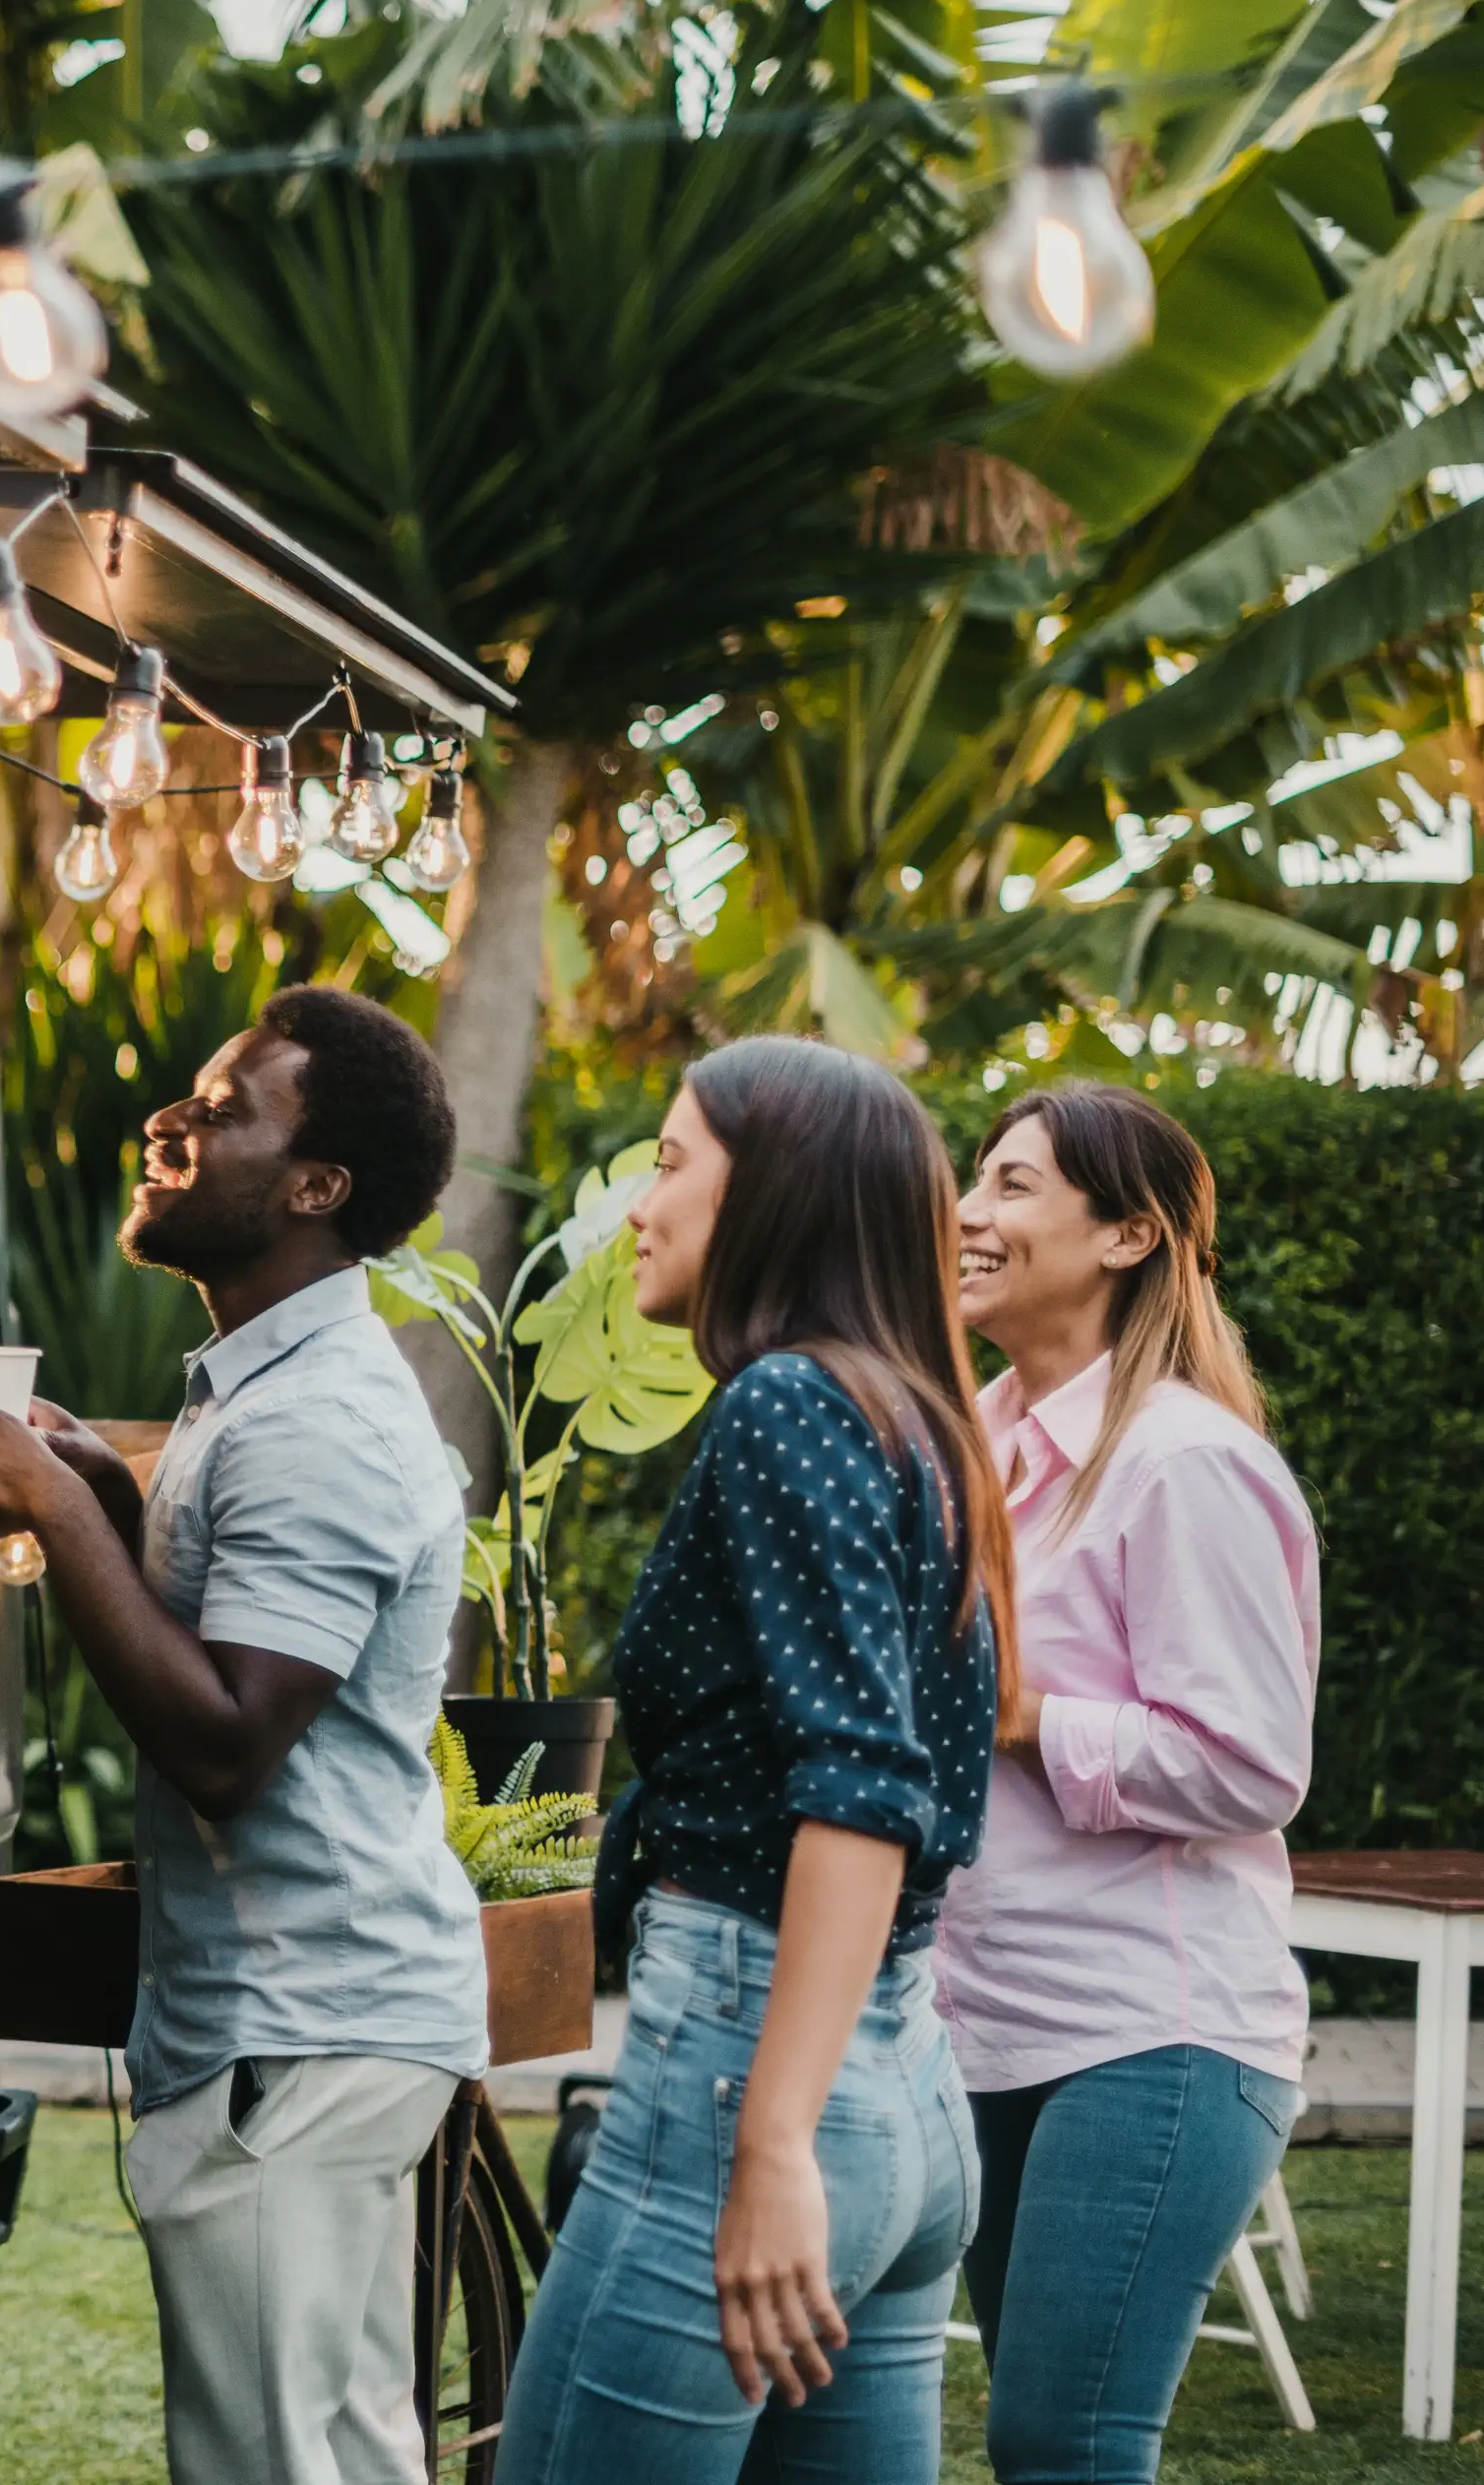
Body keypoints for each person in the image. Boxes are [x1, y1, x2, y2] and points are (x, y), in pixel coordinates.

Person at [0, 984, 482, 2485]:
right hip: (320, 2019)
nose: (170, 1122)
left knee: (272, 2464)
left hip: (299, 2030)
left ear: (315, 1188)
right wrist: (106, 1496)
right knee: (349, 2457)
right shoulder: (267, 1389)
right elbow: (236, 1636)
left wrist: (40, 1503)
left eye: (224, 1110)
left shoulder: (316, 1423)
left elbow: (229, 1738)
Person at [498, 1037, 1011, 2485]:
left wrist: (771, 2144)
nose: (639, 1209)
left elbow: (861, 1797)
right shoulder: (918, 1421)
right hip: (906, 2099)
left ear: (771, 1196)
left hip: (751, 2080)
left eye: (670, 1165)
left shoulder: (788, 1405)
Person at [939, 1082, 1318, 2483]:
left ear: (1127, 1236)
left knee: (1066, 2440)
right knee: (1040, 2443)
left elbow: (1253, 1762)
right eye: (976, 1180)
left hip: (1149, 2036)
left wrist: (1033, 1718)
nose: (971, 1213)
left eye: (1017, 1184)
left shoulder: (1182, 1463)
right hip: (985, 2028)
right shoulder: (971, 1443)